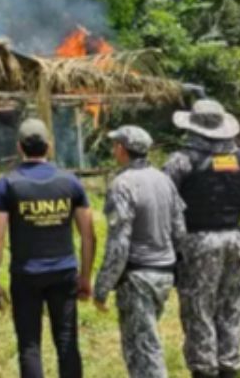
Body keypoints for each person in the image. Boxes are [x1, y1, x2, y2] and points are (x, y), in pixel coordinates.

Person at [0, 118, 95, 378]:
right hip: (64, 271)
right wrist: (85, 276)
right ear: (49, 146)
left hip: (25, 274)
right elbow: (89, 235)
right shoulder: (70, 183)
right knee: (67, 340)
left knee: (29, 345)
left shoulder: (8, 184)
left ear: (19, 147)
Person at [94, 125, 186, 378]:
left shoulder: (122, 185)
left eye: (115, 145)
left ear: (122, 150)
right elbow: (179, 230)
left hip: (138, 278)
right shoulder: (164, 180)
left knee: (144, 351)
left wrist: (102, 286)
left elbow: (119, 242)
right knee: (144, 343)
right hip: (163, 274)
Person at [163, 99, 240, 378]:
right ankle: (229, 366)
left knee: (199, 309)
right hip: (235, 238)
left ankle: (204, 369)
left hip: (197, 242)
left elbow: (166, 205)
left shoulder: (181, 161)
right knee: (230, 306)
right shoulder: (239, 159)